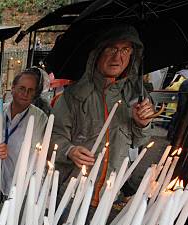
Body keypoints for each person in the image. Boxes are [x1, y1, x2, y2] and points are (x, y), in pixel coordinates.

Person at [51, 25, 156, 204]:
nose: (118, 57)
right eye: (112, 49)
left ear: (132, 55)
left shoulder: (137, 96)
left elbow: (140, 141)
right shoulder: (73, 96)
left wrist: (142, 125)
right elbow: (53, 136)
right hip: (72, 195)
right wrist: (70, 150)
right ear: (97, 53)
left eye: (125, 49)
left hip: (110, 195)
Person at [0, 69, 48, 197]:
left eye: (30, 90)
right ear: (13, 88)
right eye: (22, 88)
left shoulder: (40, 118)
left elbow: (38, 157)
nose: (25, 93)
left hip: (20, 190)